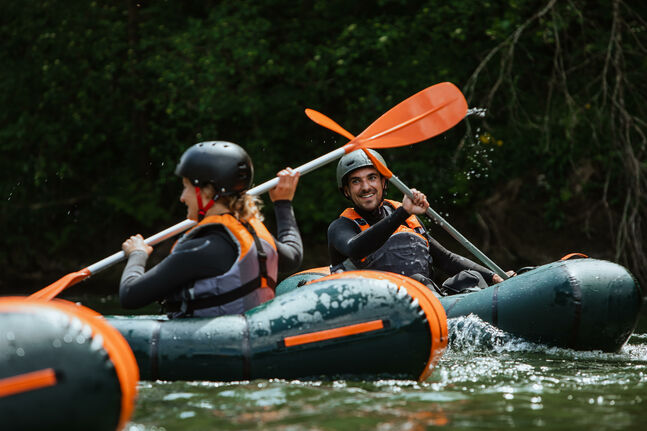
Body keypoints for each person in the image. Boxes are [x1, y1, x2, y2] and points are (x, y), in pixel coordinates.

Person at [119, 141, 303, 317]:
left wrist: (138, 254)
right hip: (255, 338)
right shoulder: (254, 235)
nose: (182, 197)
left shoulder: (201, 248)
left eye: (186, 187)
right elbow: (293, 255)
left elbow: (129, 295)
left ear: (207, 191)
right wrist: (283, 203)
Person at [327, 149, 515, 295]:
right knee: (418, 281)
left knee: (470, 278)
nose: (366, 187)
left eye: (372, 177)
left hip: (425, 298)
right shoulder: (341, 227)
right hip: (379, 308)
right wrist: (402, 212)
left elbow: (445, 259)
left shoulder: (407, 220)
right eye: (356, 181)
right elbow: (355, 249)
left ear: (384, 183)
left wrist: (493, 276)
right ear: (346, 191)